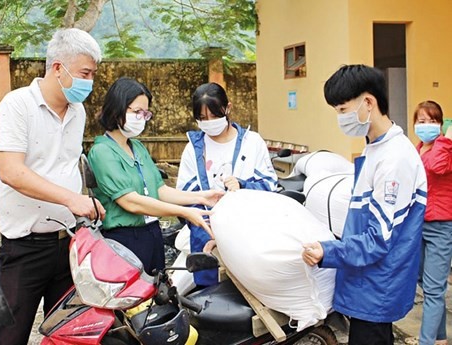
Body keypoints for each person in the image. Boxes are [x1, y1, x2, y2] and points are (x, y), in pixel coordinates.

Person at [0, 28, 105, 345]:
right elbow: (11, 172)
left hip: (68, 243)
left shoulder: (77, 111)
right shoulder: (16, 106)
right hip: (25, 247)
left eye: (93, 74)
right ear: (58, 67)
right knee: (9, 336)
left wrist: (86, 202)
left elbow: (66, 165)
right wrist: (72, 199)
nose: (90, 82)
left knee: (68, 335)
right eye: (85, 73)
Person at [302, 64, 427, 345]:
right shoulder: (376, 148)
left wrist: (327, 252)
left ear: (368, 102)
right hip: (366, 281)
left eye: (343, 109)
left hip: (377, 285)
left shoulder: (394, 158)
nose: (340, 118)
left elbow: (379, 239)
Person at [87, 77, 224, 275]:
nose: (141, 118)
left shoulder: (137, 147)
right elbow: (131, 202)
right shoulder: (102, 152)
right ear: (117, 108)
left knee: (155, 298)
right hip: (123, 240)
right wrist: (185, 212)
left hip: (151, 234)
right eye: (137, 112)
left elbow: (159, 190)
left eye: (145, 113)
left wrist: (201, 197)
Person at [176, 82, 278, 286]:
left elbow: (270, 185)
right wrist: (209, 231)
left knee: (247, 293)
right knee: (211, 297)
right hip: (205, 235)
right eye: (202, 118)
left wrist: (242, 185)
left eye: (214, 116)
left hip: (248, 233)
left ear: (228, 108)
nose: (209, 122)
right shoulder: (193, 149)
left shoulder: (252, 142)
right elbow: (185, 197)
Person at [413, 100, 452, 345]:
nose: (427, 126)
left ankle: (426, 342)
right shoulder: (418, 148)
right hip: (419, 223)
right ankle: (439, 339)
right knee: (424, 283)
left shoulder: (444, 149)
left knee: (435, 288)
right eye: (421, 121)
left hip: (441, 225)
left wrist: (446, 140)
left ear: (441, 124)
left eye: (433, 121)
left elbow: (437, 168)